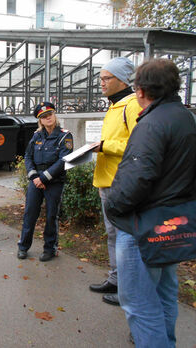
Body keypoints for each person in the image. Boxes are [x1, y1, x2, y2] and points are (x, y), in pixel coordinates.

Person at [105, 59, 196, 348]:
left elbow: (137, 178)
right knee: (165, 295)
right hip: (172, 223)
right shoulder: (185, 117)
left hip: (142, 228)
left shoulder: (151, 123)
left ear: (140, 90)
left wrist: (114, 207)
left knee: (140, 306)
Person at [88, 57, 142, 306]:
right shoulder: (114, 106)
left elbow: (138, 144)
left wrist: (105, 146)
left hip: (121, 184)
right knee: (113, 235)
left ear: (122, 80)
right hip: (107, 181)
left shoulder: (132, 106)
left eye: (106, 78)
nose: (101, 83)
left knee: (125, 239)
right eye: (100, 78)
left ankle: (127, 289)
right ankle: (116, 279)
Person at [17, 102, 73, 262]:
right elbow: (28, 156)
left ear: (54, 115)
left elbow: (63, 160)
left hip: (54, 181)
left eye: (49, 114)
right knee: (30, 213)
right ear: (40, 120)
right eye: (43, 117)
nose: (47, 118)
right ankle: (23, 246)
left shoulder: (64, 135)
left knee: (51, 215)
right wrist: (34, 177)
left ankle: (50, 249)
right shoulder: (37, 136)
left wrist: (43, 178)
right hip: (36, 180)